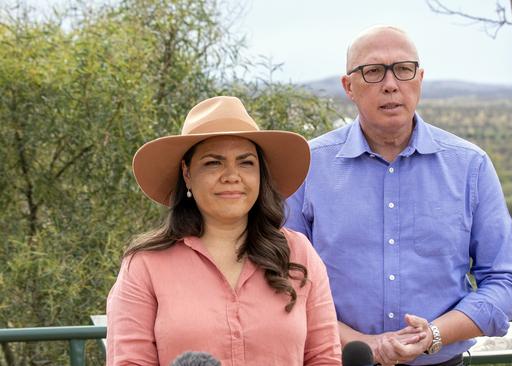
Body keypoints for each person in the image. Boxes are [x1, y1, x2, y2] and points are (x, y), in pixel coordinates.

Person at [285, 25, 512, 366]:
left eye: (403, 69)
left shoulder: (470, 166)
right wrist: (360, 344)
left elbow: (506, 282)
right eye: (373, 71)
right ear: (348, 87)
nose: (390, 83)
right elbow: (285, 280)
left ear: (420, 79)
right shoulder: (308, 167)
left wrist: (434, 335)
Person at [106, 96, 342, 366]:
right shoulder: (145, 266)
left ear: (260, 174)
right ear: (187, 173)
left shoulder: (300, 254)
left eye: (246, 163)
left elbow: (325, 359)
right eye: (213, 163)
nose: (232, 175)